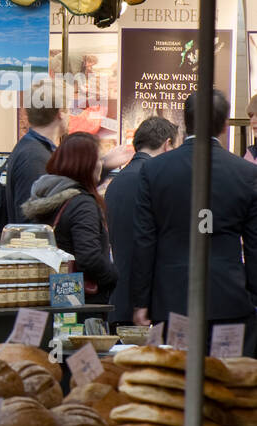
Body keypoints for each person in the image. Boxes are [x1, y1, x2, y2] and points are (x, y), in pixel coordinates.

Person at [131, 90, 257, 355]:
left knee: (176, 382)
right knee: (227, 383)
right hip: (229, 299)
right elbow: (254, 246)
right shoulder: (246, 173)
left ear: (184, 121)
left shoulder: (154, 170)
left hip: (173, 299)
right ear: (224, 125)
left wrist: (140, 301)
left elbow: (144, 239)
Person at [20, 132, 118, 305]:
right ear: (85, 165)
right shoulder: (82, 204)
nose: (100, 164)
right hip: (81, 302)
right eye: (98, 158)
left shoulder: (47, 195)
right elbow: (89, 258)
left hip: (46, 295)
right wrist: (114, 276)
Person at [105, 116, 178, 325]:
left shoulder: (115, 183)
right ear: (167, 145)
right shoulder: (157, 181)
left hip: (117, 299)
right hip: (148, 304)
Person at [4, 79, 65, 226]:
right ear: (59, 113)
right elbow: (31, 222)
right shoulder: (35, 157)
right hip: (34, 247)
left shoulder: (33, 148)